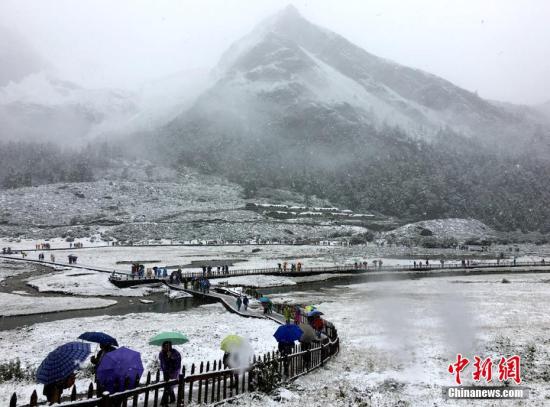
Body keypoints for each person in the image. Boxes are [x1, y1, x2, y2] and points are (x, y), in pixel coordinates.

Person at [159, 341, 182, 406]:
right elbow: (163, 361)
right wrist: (167, 357)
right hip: (165, 371)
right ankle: (172, 398)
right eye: (165, 345)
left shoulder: (175, 352)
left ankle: (164, 402)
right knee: (168, 386)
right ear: (163, 346)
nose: (167, 347)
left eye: (168, 345)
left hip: (173, 372)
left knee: (168, 387)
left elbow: (178, 360)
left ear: (170, 346)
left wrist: (172, 357)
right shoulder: (161, 353)